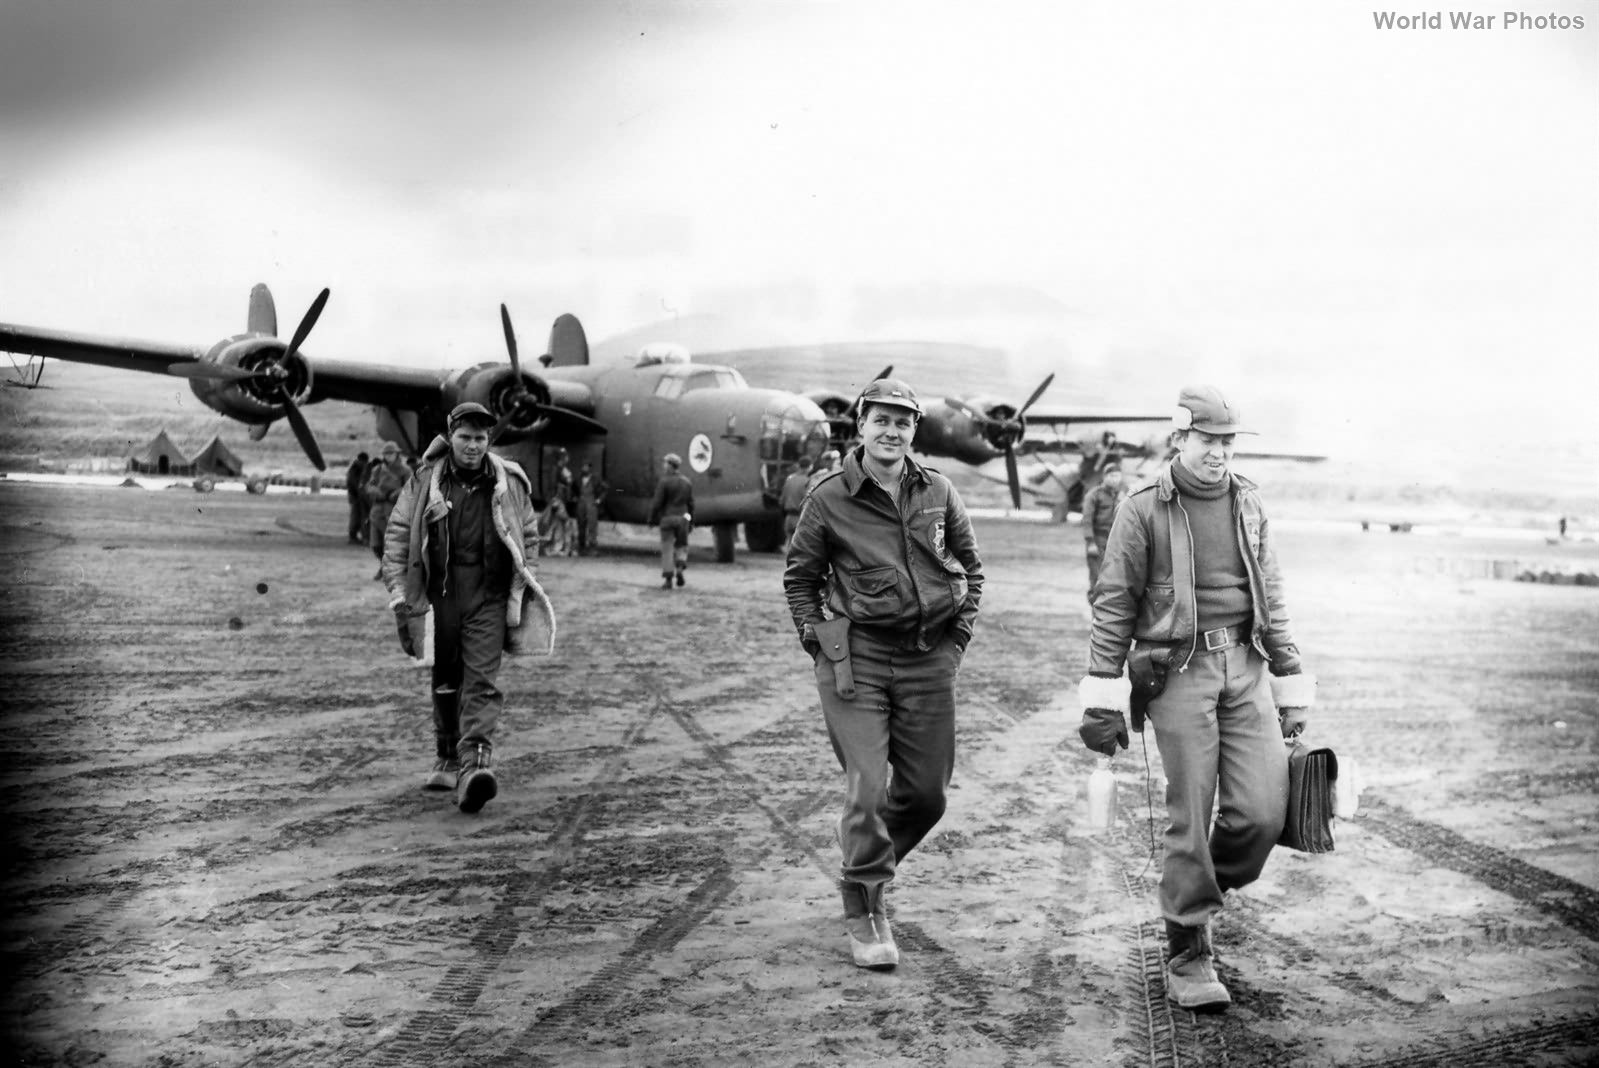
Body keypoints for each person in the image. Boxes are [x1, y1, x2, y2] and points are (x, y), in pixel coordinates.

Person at [1077, 384, 1315, 1012]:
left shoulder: (1249, 502)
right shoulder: (1141, 508)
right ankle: (1188, 942)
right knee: (1192, 807)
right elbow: (1113, 604)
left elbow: (1274, 593)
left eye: (1228, 441)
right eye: (1208, 440)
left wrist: (1290, 681)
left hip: (1247, 665)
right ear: (1179, 438)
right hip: (1177, 672)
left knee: (1262, 813)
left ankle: (1192, 890)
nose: (1219, 453)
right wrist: (1103, 697)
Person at [783, 378, 984, 970]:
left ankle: (860, 868)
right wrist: (818, 641)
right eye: (881, 420)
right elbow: (800, 578)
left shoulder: (940, 491)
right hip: (857, 661)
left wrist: (958, 642)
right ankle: (866, 902)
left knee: (926, 795)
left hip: (929, 659)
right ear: (861, 426)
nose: (891, 431)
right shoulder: (828, 498)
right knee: (867, 786)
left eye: (903, 422)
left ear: (913, 431)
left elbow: (971, 568)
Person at [382, 402, 553, 813]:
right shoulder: (425, 480)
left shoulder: (509, 482)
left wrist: (525, 573)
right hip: (441, 597)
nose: (473, 446)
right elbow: (399, 535)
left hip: (488, 598)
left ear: (488, 440)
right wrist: (400, 594)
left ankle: (474, 766)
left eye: (480, 438)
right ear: (451, 436)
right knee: (445, 677)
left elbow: (528, 532)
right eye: (465, 437)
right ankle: (447, 752)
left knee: (481, 678)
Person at [1080, 463, 1127, 600]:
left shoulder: (1124, 494)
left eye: (1117, 476)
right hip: (1099, 540)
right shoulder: (1094, 495)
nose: (1115, 479)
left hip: (1117, 542)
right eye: (1111, 476)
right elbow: (1087, 520)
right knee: (1097, 579)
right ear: (1104, 477)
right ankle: (1096, 614)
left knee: (1117, 580)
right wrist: (1090, 542)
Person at [647, 453, 694, 588]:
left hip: (667, 519)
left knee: (667, 548)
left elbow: (657, 503)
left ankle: (668, 580)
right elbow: (691, 505)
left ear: (670, 466)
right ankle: (679, 569)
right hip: (683, 519)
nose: (664, 466)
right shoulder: (687, 482)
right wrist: (692, 521)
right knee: (682, 546)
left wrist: (651, 518)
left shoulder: (664, 482)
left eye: (665, 463)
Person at [365, 443, 412, 579]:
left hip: (395, 510)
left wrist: (396, 493)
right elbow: (370, 486)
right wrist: (375, 491)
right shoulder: (377, 470)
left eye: (391, 453)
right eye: (386, 454)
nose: (389, 456)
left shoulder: (405, 470)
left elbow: (409, 488)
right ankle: (383, 565)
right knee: (375, 544)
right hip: (377, 511)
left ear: (397, 454)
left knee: (393, 543)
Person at [779, 455, 814, 547]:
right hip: (800, 518)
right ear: (810, 467)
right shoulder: (808, 481)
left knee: (790, 547)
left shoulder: (789, 479)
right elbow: (809, 502)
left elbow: (781, 501)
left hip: (788, 518)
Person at [575, 462, 607, 555]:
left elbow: (605, 489)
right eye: (583, 466)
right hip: (581, 503)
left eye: (586, 467)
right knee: (580, 525)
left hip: (591, 503)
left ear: (590, 468)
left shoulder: (596, 479)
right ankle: (581, 547)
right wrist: (575, 497)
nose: (584, 469)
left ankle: (592, 548)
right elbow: (573, 488)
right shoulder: (578, 479)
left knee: (592, 526)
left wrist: (599, 500)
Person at [346, 451, 371, 545]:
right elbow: (353, 484)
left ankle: (362, 536)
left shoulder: (361, 468)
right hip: (355, 497)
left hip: (360, 496)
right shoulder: (354, 469)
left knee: (362, 516)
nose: (365, 464)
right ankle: (352, 536)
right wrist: (359, 493)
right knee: (355, 517)